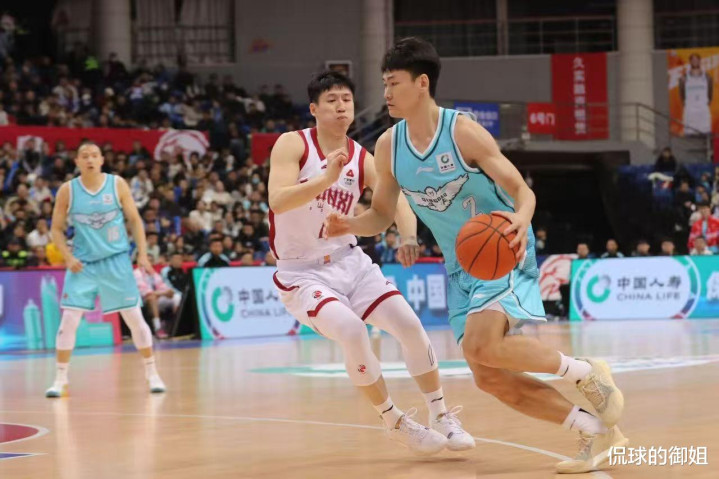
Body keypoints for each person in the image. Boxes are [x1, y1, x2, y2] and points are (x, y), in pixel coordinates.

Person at [326, 38, 625, 473]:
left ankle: (585, 371)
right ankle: (595, 431)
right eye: (384, 83)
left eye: (393, 83)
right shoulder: (389, 146)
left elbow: (521, 189)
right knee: (487, 375)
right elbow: (383, 214)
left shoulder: (461, 131)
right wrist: (349, 225)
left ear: (422, 83)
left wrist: (521, 218)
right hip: (460, 265)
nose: (385, 93)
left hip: (502, 246)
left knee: (484, 344)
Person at [269, 70, 473, 455]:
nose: (341, 106)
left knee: (410, 325)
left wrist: (408, 236)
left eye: (346, 99)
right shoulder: (292, 144)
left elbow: (396, 200)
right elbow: (277, 200)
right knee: (351, 330)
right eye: (331, 100)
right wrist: (325, 179)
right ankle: (393, 420)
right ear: (313, 109)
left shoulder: (362, 157)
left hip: (350, 262)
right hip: (302, 273)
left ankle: (441, 414)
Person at [45, 142, 166, 398]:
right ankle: (60, 379)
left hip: (116, 260)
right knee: (69, 321)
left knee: (134, 317)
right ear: (77, 162)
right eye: (84, 156)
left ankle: (152, 373)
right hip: (83, 264)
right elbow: (55, 228)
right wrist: (67, 257)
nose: (90, 159)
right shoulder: (68, 190)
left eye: (94, 155)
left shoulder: (117, 184)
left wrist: (142, 253)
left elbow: (135, 220)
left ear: (101, 160)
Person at [133, 256, 179, 339]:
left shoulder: (153, 273)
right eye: (147, 261)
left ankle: (176, 326)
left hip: (158, 297)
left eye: (151, 261)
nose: (149, 263)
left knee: (176, 297)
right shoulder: (137, 273)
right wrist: (162, 293)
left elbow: (163, 287)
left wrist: (169, 292)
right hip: (141, 301)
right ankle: (158, 328)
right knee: (152, 298)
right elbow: (145, 292)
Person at [679, 53, 713, 135]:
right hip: (690, 112)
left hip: (703, 111)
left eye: (697, 60)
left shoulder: (707, 77)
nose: (695, 62)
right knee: (690, 135)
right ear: (690, 62)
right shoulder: (683, 78)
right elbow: (682, 95)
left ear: (700, 61)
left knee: (705, 135)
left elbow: (710, 95)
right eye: (693, 60)